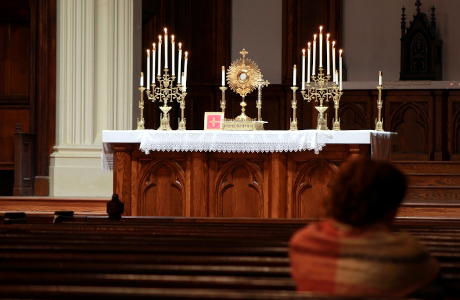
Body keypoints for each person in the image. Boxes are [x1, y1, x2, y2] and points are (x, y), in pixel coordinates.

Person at [289, 156, 439, 297]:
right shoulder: (408, 253)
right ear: (392, 211)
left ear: (336, 197)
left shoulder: (304, 242)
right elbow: (432, 273)